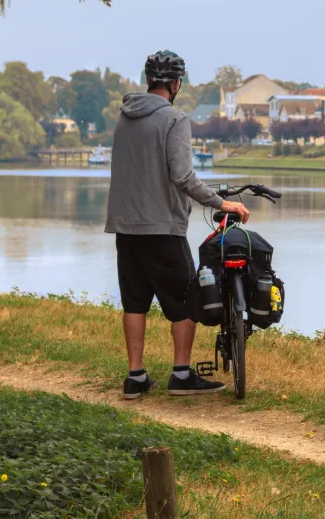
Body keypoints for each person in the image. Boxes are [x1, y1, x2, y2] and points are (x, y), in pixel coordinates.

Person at [105, 50, 250, 399]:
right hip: (162, 228)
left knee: (134, 302)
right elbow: (183, 176)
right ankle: (181, 375)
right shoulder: (175, 119)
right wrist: (221, 203)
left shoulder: (124, 117)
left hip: (125, 227)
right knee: (187, 299)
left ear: (148, 81)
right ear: (176, 83)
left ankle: (135, 378)